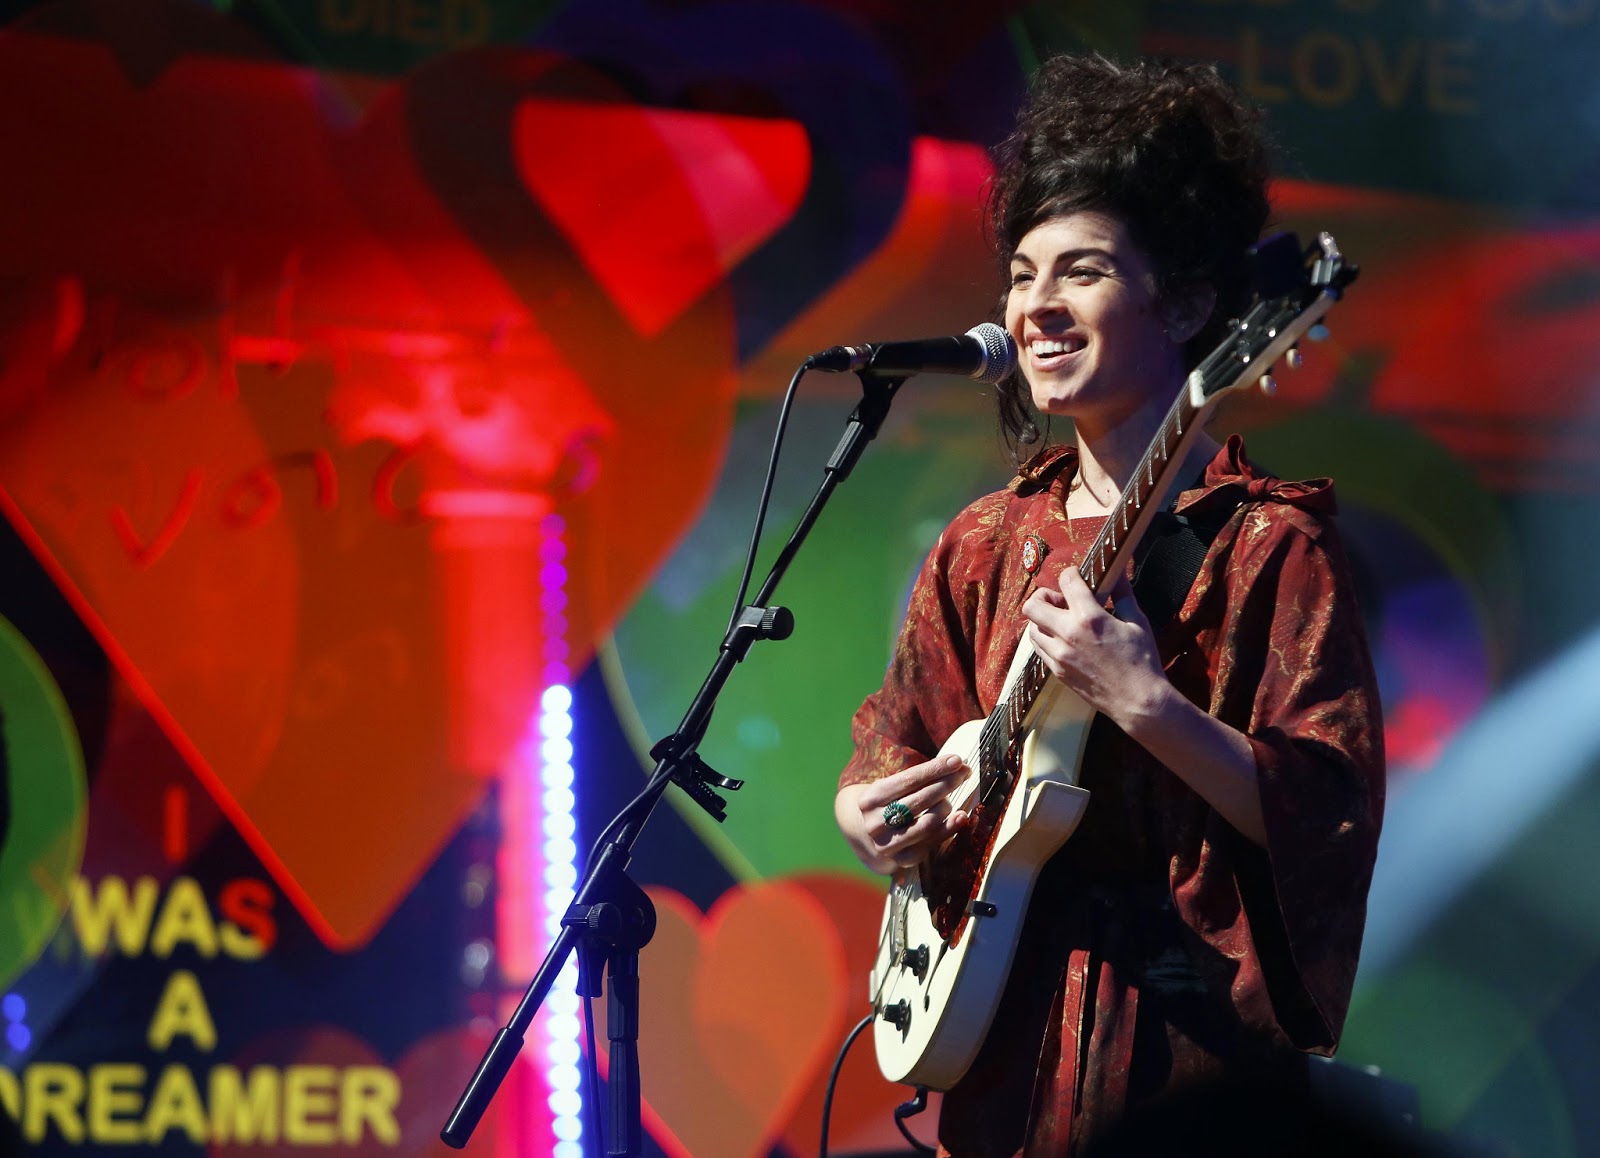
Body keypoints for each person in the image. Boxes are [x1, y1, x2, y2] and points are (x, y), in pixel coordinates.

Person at [833, 54, 1385, 1156]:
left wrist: (1147, 704)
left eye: (1079, 272)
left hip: (1185, 1065)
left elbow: (1329, 814)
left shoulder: (1270, 546)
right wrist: (869, 815)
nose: (1035, 306)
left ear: (1186, 303)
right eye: (1020, 275)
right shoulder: (985, 540)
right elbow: (893, 743)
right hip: (999, 1047)